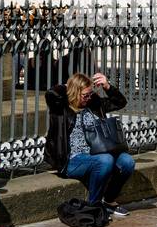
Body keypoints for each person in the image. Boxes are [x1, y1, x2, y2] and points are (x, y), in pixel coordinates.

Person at [45, 71, 134, 217]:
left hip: (97, 154)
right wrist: (69, 84)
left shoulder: (94, 104)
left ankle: (109, 201)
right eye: (84, 95)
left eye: (90, 94)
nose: (88, 98)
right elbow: (51, 93)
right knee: (106, 160)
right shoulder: (61, 108)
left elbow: (120, 102)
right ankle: (94, 206)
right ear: (74, 92)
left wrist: (107, 86)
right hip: (72, 160)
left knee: (127, 161)